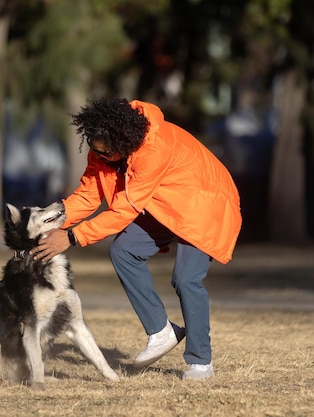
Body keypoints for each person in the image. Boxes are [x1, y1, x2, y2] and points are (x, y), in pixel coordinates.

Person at [31, 98, 242, 380]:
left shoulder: (155, 147)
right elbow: (88, 196)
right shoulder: (101, 149)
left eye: (107, 153)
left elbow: (124, 210)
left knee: (186, 278)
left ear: (123, 140)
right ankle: (161, 331)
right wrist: (52, 222)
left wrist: (72, 236)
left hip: (204, 204)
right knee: (123, 250)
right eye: (97, 151)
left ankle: (200, 362)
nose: (101, 156)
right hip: (162, 204)